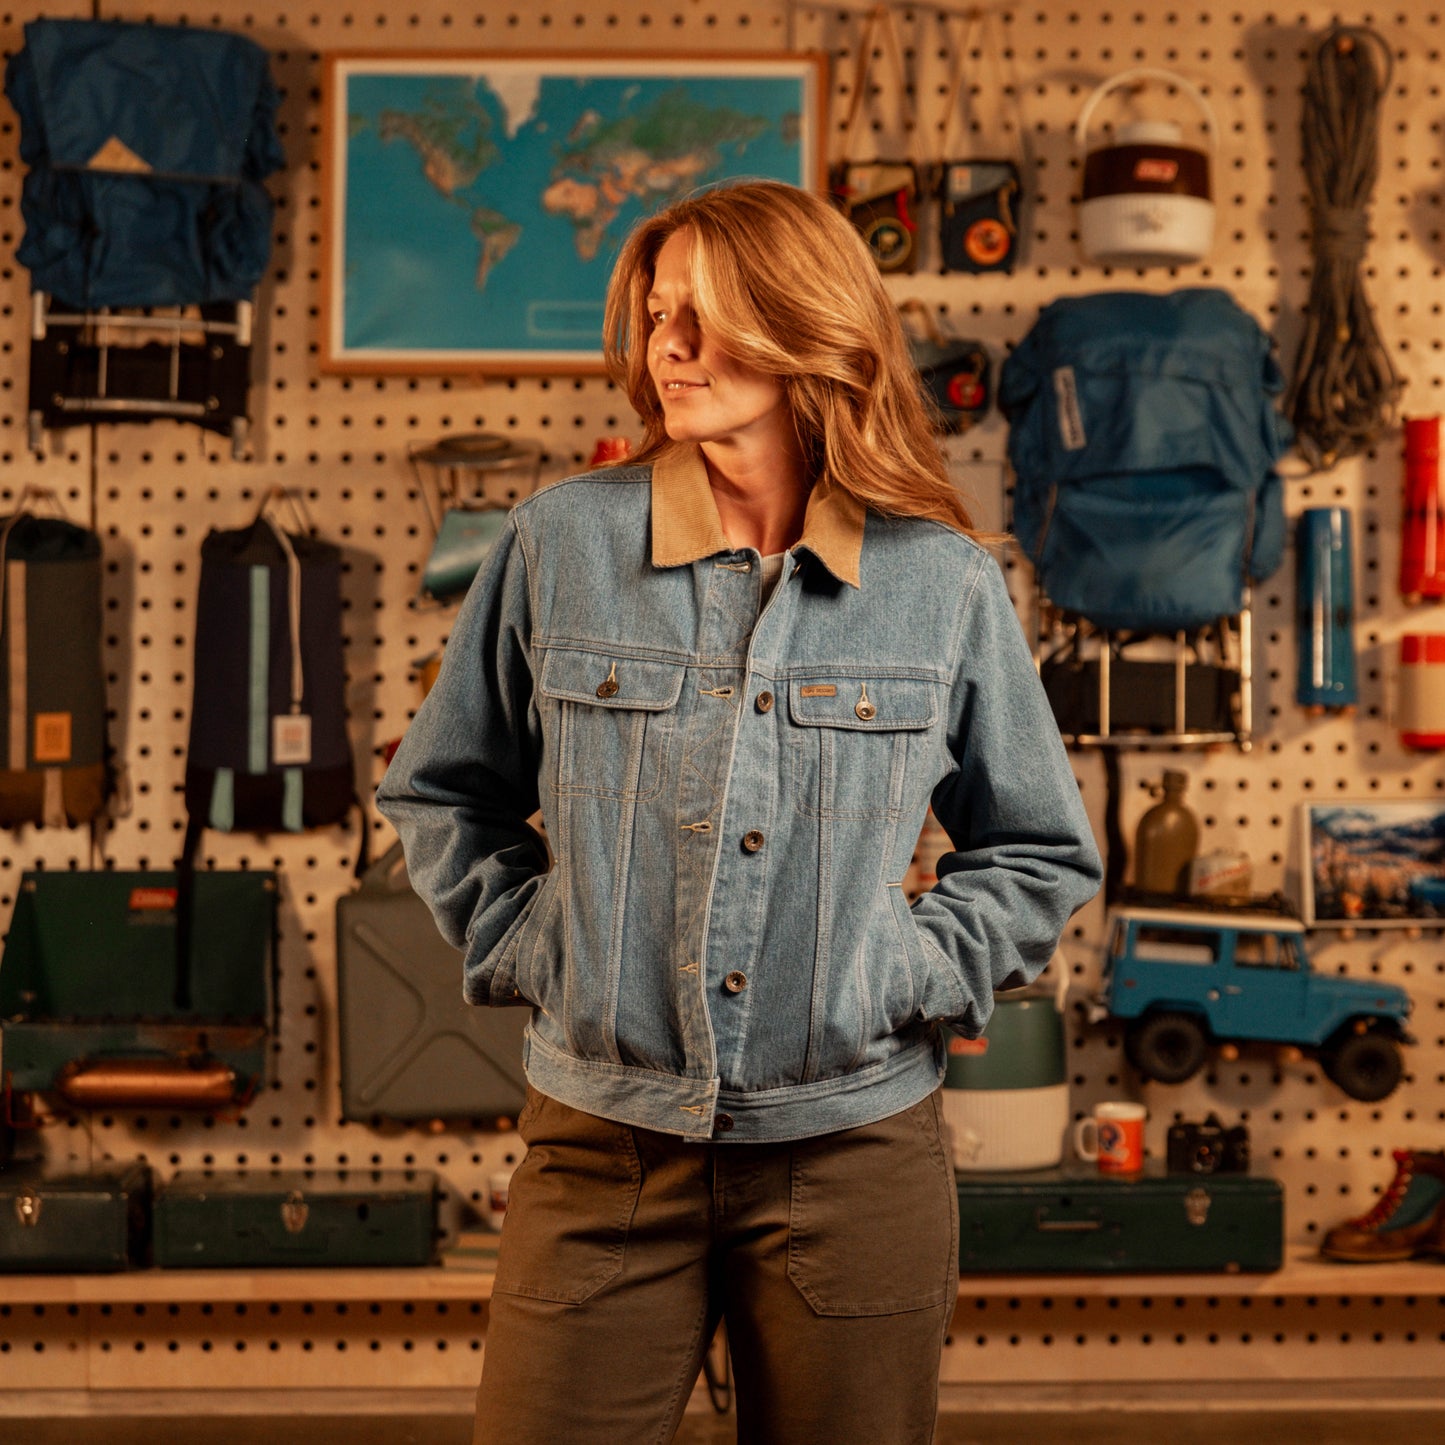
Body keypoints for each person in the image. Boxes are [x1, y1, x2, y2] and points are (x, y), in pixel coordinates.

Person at [377, 179, 1102, 1445]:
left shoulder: (938, 582)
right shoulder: (559, 544)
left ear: (803, 322)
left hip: (853, 1154)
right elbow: (442, 788)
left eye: (705, 316)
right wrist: (536, 943)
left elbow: (1037, 844)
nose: (667, 348)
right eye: (659, 314)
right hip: (603, 1145)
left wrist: (908, 969)